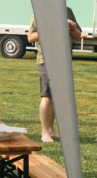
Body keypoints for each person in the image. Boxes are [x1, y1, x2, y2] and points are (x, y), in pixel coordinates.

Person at [28, 9, 81, 142]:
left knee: (55, 96)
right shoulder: (39, 11)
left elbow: (78, 35)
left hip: (63, 60)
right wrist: (49, 27)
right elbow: (31, 37)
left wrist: (71, 28)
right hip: (46, 59)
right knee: (47, 96)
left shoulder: (67, 11)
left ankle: (51, 129)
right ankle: (44, 132)